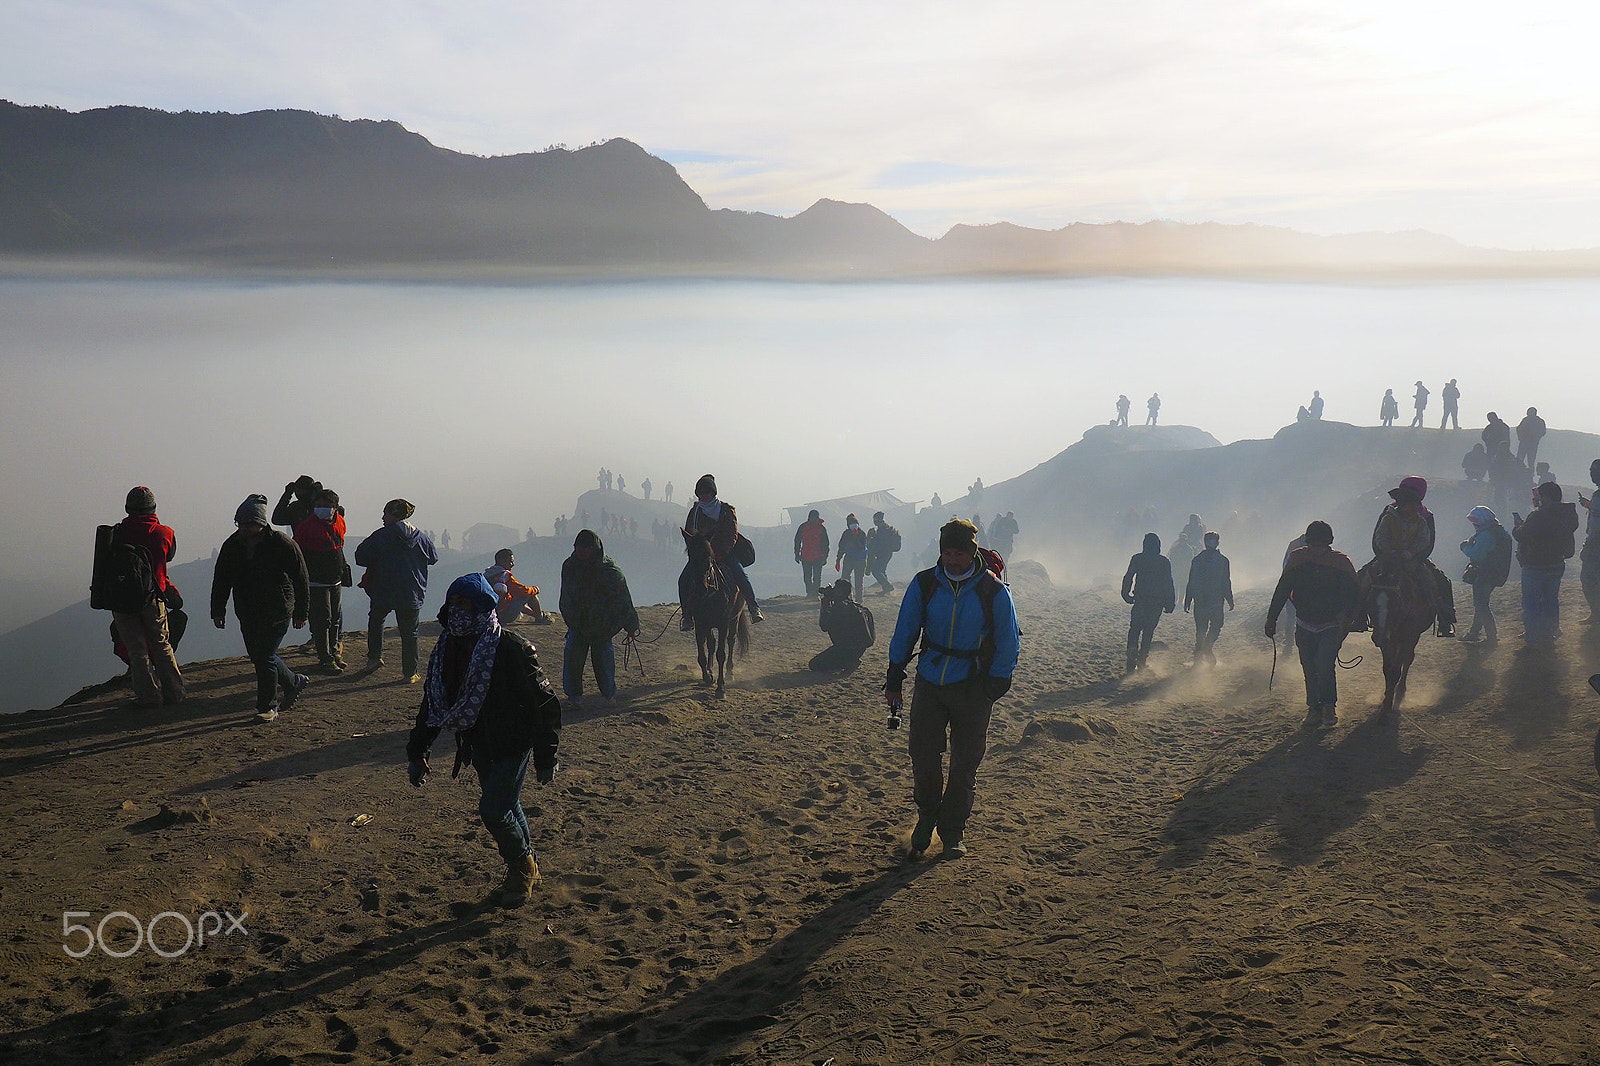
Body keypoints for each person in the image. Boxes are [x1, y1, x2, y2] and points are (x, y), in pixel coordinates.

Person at [405, 573, 562, 908]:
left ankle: (522, 869)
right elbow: (434, 702)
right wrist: (419, 749)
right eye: (454, 603)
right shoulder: (446, 650)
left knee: (493, 810)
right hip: (478, 743)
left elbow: (543, 703)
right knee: (507, 804)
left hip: (513, 742)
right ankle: (527, 867)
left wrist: (546, 755)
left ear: (482, 606)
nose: (458, 610)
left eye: (465, 603)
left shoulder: (509, 647)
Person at [883, 518, 1020, 859]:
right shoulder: (925, 584)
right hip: (929, 681)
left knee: (964, 764)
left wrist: (997, 681)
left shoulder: (994, 591)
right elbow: (906, 629)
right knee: (923, 756)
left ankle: (953, 831)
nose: (953, 559)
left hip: (975, 687)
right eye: (947, 551)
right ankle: (927, 816)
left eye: (959, 552)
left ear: (972, 552)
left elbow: (1009, 639)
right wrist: (894, 674)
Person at [211, 494, 310, 722]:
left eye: (248, 524)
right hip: (247, 609)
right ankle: (294, 681)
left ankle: (267, 706)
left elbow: (301, 578)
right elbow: (222, 579)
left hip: (278, 609)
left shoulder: (282, 544)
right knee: (259, 656)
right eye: (240, 524)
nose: (243, 528)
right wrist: (218, 609)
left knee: (264, 656)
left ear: (261, 523)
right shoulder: (232, 545)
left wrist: (301, 612)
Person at [1265, 521, 1360, 728]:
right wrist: (1271, 618)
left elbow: (1353, 593)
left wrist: (1347, 616)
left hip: (1331, 624)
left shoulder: (1341, 563)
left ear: (1328, 544)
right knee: (1308, 666)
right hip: (1304, 622)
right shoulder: (1297, 559)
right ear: (1308, 543)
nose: (1316, 550)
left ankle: (1328, 707)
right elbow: (1283, 589)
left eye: (1321, 545)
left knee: (1324, 665)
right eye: (1313, 545)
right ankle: (1313, 708)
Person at [109, 486, 185, 707]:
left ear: (127, 508)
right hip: (154, 596)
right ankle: (175, 693)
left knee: (137, 650)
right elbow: (168, 557)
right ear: (153, 508)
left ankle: (149, 697)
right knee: (161, 645)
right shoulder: (165, 533)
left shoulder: (116, 533)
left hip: (123, 600)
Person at [353, 498, 439, 681]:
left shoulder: (381, 535)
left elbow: (360, 556)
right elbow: (433, 558)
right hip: (412, 592)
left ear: (394, 514)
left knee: (376, 621)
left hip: (383, 588)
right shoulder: (422, 537)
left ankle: (374, 659)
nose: (383, 517)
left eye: (386, 513)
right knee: (410, 633)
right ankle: (410, 672)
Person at [1360, 475, 1456, 636]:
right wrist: (1386, 554)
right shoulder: (1388, 513)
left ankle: (1445, 619)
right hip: (1387, 557)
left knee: (1441, 582)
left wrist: (1413, 556)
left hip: (1414, 559)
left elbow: (1427, 543)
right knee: (1362, 577)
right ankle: (1358, 615)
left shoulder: (1425, 516)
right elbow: (1378, 538)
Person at [558, 529, 639, 708]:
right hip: (578, 625)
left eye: (586, 547)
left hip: (602, 626)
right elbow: (566, 596)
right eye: (579, 547)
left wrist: (631, 624)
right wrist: (571, 620)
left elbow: (623, 598)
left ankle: (609, 696)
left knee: (604, 661)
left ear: (594, 549)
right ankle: (573, 698)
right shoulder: (570, 567)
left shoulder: (609, 570)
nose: (582, 551)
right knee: (572, 660)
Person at [679, 473, 762, 628]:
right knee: (683, 580)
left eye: (707, 492)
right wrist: (698, 550)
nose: (704, 496)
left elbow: (732, 534)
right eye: (701, 493)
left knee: (739, 574)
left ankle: (753, 606)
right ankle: (687, 616)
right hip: (703, 555)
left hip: (725, 553)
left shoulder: (725, 510)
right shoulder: (695, 512)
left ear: (713, 493)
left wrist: (721, 552)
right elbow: (690, 533)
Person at [1512, 481, 1578, 646]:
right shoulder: (1568, 514)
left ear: (1546, 496)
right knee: (1551, 601)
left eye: (1540, 495)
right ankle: (1550, 634)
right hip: (1556, 563)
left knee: (1531, 603)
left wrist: (1517, 527)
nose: (1538, 499)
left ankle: (1533, 638)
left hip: (1535, 565)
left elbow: (1522, 535)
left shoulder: (1539, 516)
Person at [293, 487, 349, 672]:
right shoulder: (307, 526)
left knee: (334, 619)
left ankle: (334, 652)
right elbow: (297, 553)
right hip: (316, 581)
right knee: (322, 620)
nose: (321, 509)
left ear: (336, 506)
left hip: (335, 579)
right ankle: (324, 658)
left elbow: (339, 545)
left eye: (325, 505)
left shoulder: (339, 521)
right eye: (318, 505)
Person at [1121, 532, 1175, 673]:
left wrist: (1125, 593)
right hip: (1156, 602)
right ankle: (1142, 658)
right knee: (1148, 631)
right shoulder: (1164, 562)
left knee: (1135, 628)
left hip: (1140, 599)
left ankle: (1132, 650)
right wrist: (1170, 602)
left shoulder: (1137, 559)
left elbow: (1129, 577)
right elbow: (1168, 583)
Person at [1459, 505, 1512, 645]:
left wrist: (1465, 546)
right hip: (1496, 573)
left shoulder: (1486, 535)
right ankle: (1474, 631)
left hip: (1485, 573)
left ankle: (1491, 637)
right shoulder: (1499, 532)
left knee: (1481, 605)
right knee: (1481, 603)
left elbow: (1478, 554)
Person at [1183, 531, 1233, 666]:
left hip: (1200, 599)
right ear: (1217, 542)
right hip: (1216, 600)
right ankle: (1207, 647)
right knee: (1216, 626)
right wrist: (1230, 599)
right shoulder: (1223, 561)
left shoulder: (1197, 560)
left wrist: (1187, 600)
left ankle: (1199, 655)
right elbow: (1226, 582)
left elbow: (1191, 581)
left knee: (1201, 628)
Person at [810, 578, 875, 672]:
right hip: (859, 649)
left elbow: (824, 626)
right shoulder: (855, 607)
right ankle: (850, 660)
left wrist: (825, 606)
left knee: (814, 665)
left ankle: (849, 662)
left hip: (846, 648)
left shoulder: (840, 608)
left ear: (840, 592)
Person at [484, 548, 549, 626]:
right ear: (502, 562)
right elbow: (523, 591)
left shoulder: (487, 574)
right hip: (503, 616)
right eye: (511, 562)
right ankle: (540, 618)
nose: (513, 564)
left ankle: (538, 615)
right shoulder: (504, 576)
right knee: (530, 595)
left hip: (490, 614)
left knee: (515, 598)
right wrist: (535, 589)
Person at [793, 509, 830, 597]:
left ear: (818, 518)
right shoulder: (803, 527)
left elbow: (826, 544)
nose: (813, 519)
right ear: (809, 518)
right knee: (807, 577)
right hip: (806, 556)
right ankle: (810, 593)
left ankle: (815, 593)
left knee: (817, 578)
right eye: (812, 518)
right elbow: (797, 541)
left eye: (815, 518)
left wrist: (825, 557)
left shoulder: (821, 528)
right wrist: (797, 554)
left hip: (818, 556)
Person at [1581, 460, 1600, 625]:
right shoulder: (1597, 495)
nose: (1592, 474)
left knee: (1588, 579)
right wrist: (1587, 504)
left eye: (1594, 471)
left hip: (1595, 545)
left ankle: (1596, 613)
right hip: (1593, 543)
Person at [866, 511, 901, 595]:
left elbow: (881, 544)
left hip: (884, 553)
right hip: (886, 553)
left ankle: (887, 586)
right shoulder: (884, 528)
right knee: (882, 570)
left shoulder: (883, 530)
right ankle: (886, 589)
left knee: (876, 571)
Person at [835, 513, 868, 602]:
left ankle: (859, 600)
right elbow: (841, 547)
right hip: (849, 559)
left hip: (860, 560)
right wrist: (838, 559)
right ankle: (848, 598)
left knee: (859, 581)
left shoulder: (861, 534)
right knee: (845, 580)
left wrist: (856, 538)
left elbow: (862, 546)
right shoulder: (846, 534)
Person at [1515, 407, 1547, 471]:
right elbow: (1518, 429)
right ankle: (1517, 473)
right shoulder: (1525, 420)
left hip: (1532, 444)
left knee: (1530, 461)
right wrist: (1520, 437)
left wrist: (1535, 438)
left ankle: (1530, 476)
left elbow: (1542, 432)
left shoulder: (1539, 421)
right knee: (1519, 460)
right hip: (1524, 443)